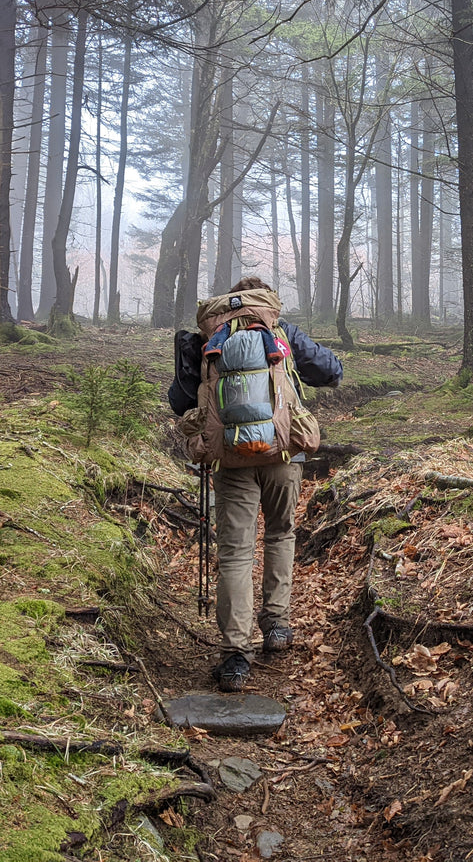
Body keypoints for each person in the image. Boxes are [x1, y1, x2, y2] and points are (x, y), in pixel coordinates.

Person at [210, 276, 342, 692]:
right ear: (268, 303)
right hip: (284, 454)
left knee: (234, 552)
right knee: (281, 533)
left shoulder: (210, 335)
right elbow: (331, 372)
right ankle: (277, 624)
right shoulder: (282, 332)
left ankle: (235, 655)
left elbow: (180, 399)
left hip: (231, 459)